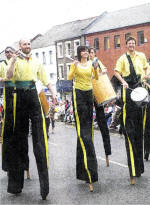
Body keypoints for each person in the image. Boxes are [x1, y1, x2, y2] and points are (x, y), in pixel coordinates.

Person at [6, 39, 56, 200]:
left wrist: (53, 93)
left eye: (29, 44)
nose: (27, 46)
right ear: (20, 47)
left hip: (33, 96)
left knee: (40, 141)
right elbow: (8, 76)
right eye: (24, 44)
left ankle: (44, 189)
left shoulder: (36, 61)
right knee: (18, 140)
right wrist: (13, 60)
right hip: (19, 97)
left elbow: (46, 80)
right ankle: (15, 186)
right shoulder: (14, 60)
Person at [114, 36, 148, 185]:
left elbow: (146, 69)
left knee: (140, 131)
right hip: (128, 91)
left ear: (135, 44)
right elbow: (116, 72)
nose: (131, 45)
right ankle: (132, 169)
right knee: (130, 132)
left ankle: (139, 167)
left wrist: (145, 76)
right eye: (129, 43)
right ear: (126, 45)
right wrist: (123, 82)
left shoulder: (141, 56)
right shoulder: (122, 58)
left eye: (133, 43)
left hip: (139, 89)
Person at [68, 45, 99, 192]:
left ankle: (86, 170)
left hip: (89, 93)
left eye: (87, 51)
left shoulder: (91, 64)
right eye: (83, 51)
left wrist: (97, 67)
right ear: (79, 53)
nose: (85, 53)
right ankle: (86, 170)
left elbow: (96, 78)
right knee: (83, 133)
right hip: (78, 94)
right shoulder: (76, 64)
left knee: (89, 130)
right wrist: (74, 67)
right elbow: (69, 78)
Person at [0, 47, 30, 179]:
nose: (8, 53)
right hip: (8, 95)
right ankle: (8, 166)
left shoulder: (18, 61)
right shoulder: (2, 64)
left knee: (21, 132)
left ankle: (25, 166)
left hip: (19, 93)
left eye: (10, 51)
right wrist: (5, 79)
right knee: (8, 133)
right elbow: (4, 78)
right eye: (6, 52)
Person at [89, 47, 112, 167]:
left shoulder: (97, 61)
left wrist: (103, 70)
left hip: (98, 94)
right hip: (88, 94)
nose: (91, 54)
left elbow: (104, 69)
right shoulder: (85, 64)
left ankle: (107, 151)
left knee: (103, 126)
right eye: (89, 53)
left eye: (92, 52)